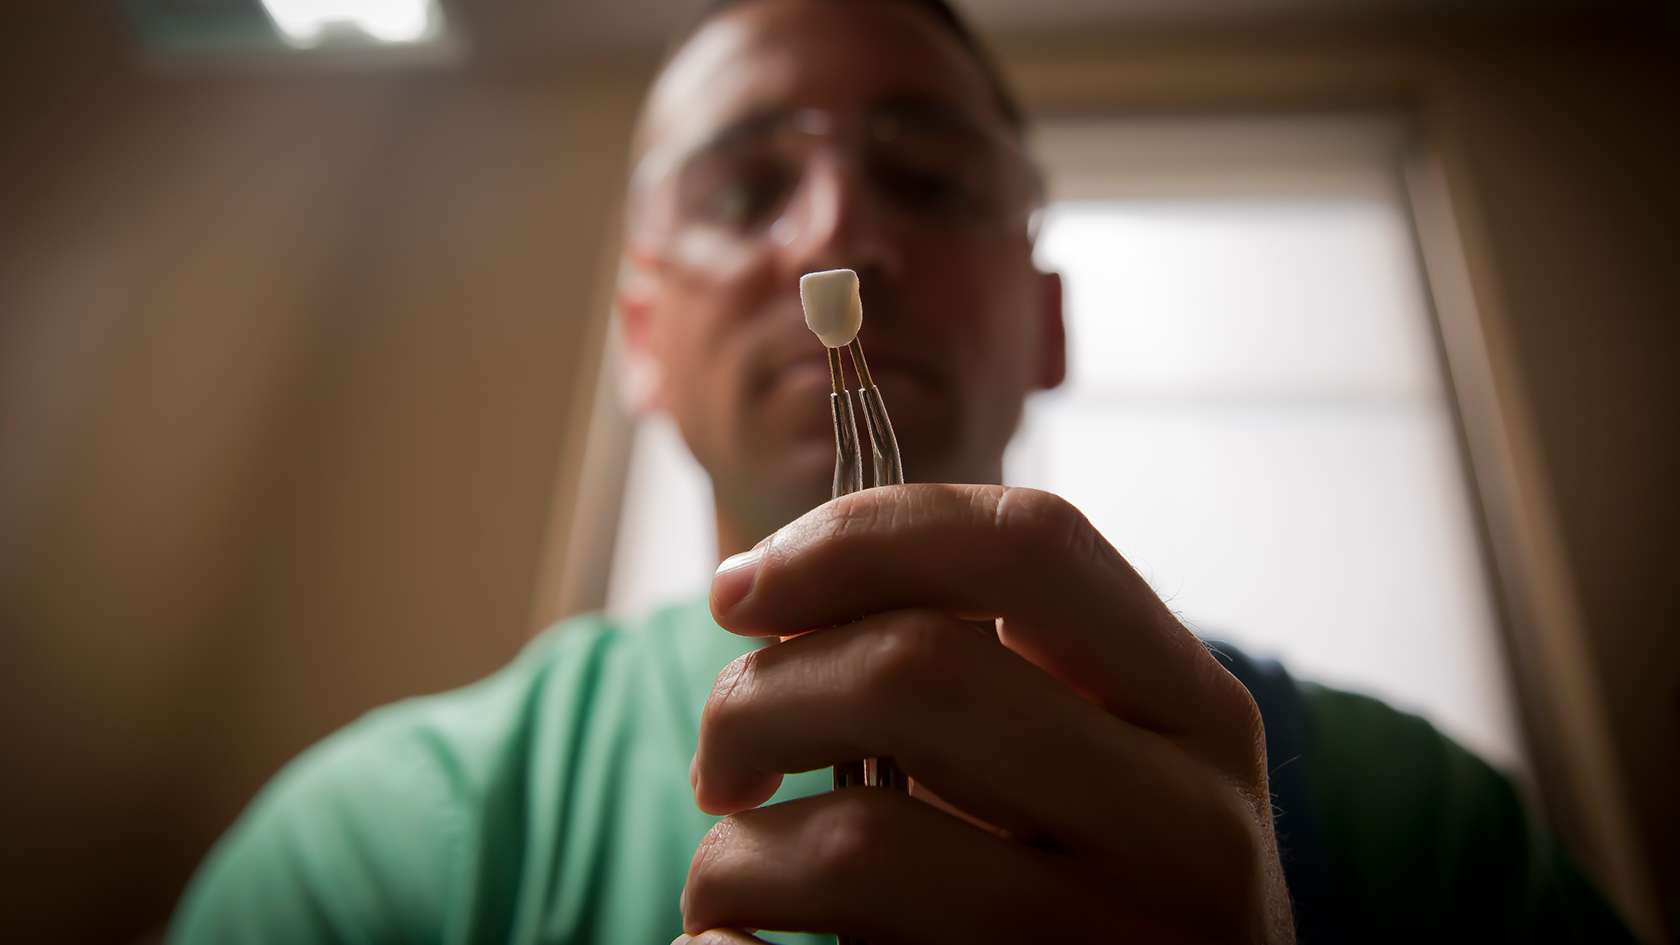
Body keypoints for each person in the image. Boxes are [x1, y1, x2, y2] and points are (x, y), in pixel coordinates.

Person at [169, 1, 1639, 942]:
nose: (836, 234)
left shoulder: (1413, 825)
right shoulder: (386, 844)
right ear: (641, 339)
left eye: (929, 178)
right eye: (746, 186)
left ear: (1047, 320)